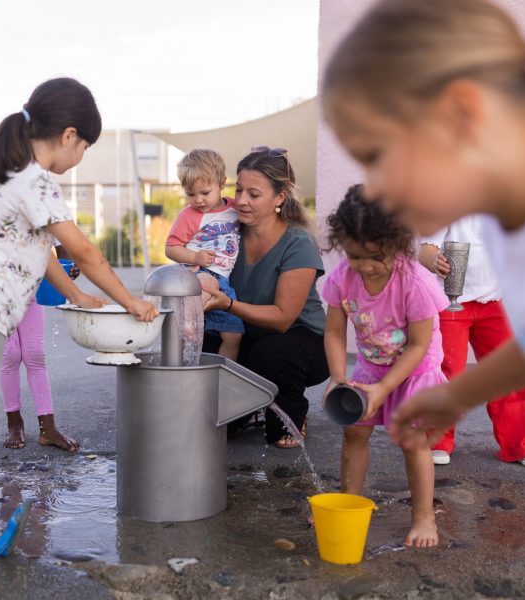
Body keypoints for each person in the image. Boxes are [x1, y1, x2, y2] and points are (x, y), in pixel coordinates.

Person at [321, 1, 525, 597]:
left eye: (377, 155)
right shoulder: (514, 222)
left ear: (460, 114)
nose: (378, 186)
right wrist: (455, 396)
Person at [0, 77, 158, 560]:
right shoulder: (38, 181)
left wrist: (76, 293)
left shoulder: (11, 175)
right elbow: (85, 251)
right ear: (70, 134)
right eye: (85, 148)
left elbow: (46, 251)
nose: (81, 159)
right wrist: (132, 301)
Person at [322, 185, 446, 547]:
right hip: (370, 365)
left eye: (374, 257)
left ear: (396, 244)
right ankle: (349, 505)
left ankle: (424, 519)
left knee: (413, 441)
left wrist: (384, 389)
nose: (364, 266)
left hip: (414, 369)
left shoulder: (415, 282)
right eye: (354, 255)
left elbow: (420, 345)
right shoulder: (343, 276)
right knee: (354, 433)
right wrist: (337, 378)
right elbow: (333, 331)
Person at [202, 146, 329, 449]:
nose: (242, 200)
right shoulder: (227, 233)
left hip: (300, 340)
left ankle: (293, 414)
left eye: (254, 194)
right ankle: (247, 409)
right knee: (203, 354)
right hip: (244, 333)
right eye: (239, 189)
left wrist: (228, 304)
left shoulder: (297, 243)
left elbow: (283, 318)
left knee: (271, 354)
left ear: (280, 197)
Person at [419, 217, 525, 469]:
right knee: (447, 372)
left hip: (493, 301)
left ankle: (520, 445)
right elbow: (426, 248)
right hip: (450, 302)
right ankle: (436, 441)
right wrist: (434, 261)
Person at [0, 243, 88, 451]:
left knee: (35, 354)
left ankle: (47, 428)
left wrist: (68, 269)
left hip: (33, 290)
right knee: (9, 355)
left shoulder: (47, 215)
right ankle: (14, 423)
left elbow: (63, 250)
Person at [165, 148, 244, 360]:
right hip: (200, 271)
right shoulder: (189, 216)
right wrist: (195, 257)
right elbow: (171, 248)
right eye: (191, 194)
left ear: (221, 183)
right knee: (208, 282)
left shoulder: (234, 208)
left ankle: (224, 372)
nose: (198, 200)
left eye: (205, 193)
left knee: (234, 334)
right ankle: (188, 322)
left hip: (225, 280)